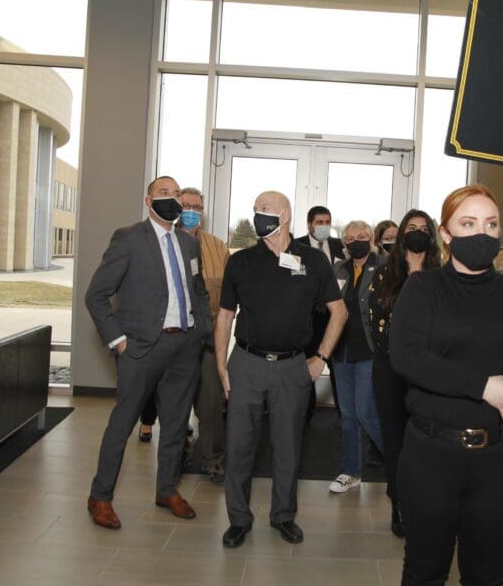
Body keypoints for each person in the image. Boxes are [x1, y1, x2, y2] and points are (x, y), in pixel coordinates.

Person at [390, 185, 503, 585]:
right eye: (468, 224)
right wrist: (482, 387)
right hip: (431, 456)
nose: (482, 233)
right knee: (424, 570)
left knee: (487, 573)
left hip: (498, 460)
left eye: (491, 224)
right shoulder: (424, 289)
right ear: (446, 234)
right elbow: (407, 357)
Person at [216, 191, 347, 548]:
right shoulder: (241, 261)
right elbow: (225, 315)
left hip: (292, 366)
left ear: (286, 215)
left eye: (267, 210)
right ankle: (239, 520)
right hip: (245, 364)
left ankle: (283, 516)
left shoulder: (312, 261)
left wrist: (320, 357)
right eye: (256, 209)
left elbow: (340, 312)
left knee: (288, 447)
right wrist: (221, 368)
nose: (259, 215)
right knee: (240, 446)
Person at [84, 176, 212, 530]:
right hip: (140, 347)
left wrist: (201, 329)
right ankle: (100, 497)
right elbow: (95, 295)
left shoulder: (188, 245)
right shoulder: (127, 238)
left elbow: (198, 290)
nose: (170, 200)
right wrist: (118, 340)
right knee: (122, 424)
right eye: (163, 193)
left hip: (184, 346)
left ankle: (166, 489)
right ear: (148, 201)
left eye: (175, 195)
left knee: (175, 424)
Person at [138, 187, 231, 482]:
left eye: (197, 207)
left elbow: (227, 301)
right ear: (177, 208)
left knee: (212, 402)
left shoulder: (218, 248)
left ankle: (212, 457)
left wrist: (221, 345)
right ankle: (175, 454)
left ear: (203, 212)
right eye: (186, 205)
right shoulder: (160, 243)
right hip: (172, 339)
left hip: (207, 340)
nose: (191, 211)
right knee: (172, 404)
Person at [368, 209, 441, 536]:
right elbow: (376, 319)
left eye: (423, 229)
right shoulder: (385, 273)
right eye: (411, 228)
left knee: (427, 439)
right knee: (395, 437)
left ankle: (426, 501)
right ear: (401, 236)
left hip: (431, 371)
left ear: (432, 235)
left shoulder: (443, 275)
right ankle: (399, 503)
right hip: (391, 368)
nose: (417, 233)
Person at [329, 220, 385, 493]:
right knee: (348, 415)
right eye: (350, 238)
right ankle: (351, 471)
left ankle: (401, 461)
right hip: (342, 350)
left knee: (365, 412)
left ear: (371, 237)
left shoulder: (385, 265)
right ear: (344, 243)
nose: (356, 241)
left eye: (361, 236)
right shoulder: (338, 268)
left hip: (370, 350)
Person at [295, 205, 345, 420]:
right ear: (309, 224)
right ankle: (305, 416)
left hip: (335, 317)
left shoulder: (340, 246)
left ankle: (345, 416)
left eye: (327, 222)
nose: (324, 226)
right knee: (306, 367)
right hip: (307, 318)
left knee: (338, 368)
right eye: (319, 222)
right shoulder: (296, 246)